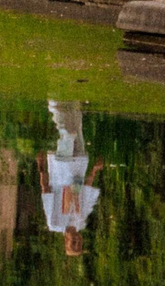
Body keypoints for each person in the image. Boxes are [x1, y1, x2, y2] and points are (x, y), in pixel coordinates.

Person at [40, 100, 101, 256]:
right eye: (79, 243)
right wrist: (93, 170)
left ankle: (54, 104)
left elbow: (46, 192)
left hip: (62, 168)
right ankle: (72, 101)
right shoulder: (80, 221)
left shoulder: (54, 223)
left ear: (66, 241)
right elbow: (85, 192)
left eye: (73, 243)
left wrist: (41, 168)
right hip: (78, 167)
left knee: (68, 134)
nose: (77, 240)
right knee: (77, 127)